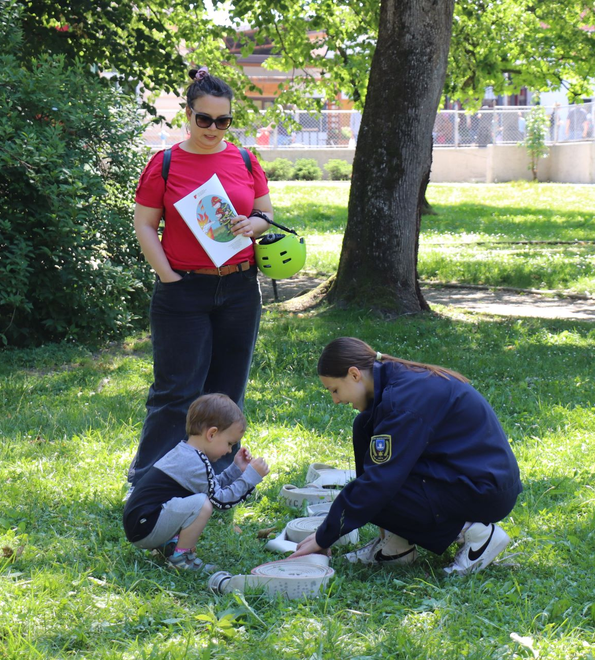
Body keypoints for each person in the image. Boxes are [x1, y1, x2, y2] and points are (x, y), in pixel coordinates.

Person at [129, 66, 274, 487]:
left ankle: (220, 476)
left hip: (240, 287)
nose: (213, 128)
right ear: (188, 114)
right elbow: (144, 224)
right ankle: (149, 479)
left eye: (223, 120)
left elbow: (265, 212)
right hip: (183, 290)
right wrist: (168, 276)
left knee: (228, 391)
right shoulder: (166, 162)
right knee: (176, 392)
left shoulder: (246, 159)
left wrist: (255, 225)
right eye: (204, 119)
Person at [288, 338, 523, 575]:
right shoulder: (391, 383)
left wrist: (324, 535)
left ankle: (477, 534)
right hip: (464, 474)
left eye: (335, 390)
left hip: (485, 491)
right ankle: (397, 546)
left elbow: (377, 483)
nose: (335, 400)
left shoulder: (403, 402)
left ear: (354, 374)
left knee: (373, 493)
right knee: (364, 428)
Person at [123, 393, 270, 571]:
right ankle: (181, 559)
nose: (229, 450)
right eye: (229, 443)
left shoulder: (188, 453)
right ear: (212, 434)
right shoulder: (194, 462)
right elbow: (220, 501)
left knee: (201, 500)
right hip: (146, 527)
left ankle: (169, 546)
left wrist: (236, 469)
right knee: (203, 505)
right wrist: (251, 477)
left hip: (142, 524)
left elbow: (212, 486)